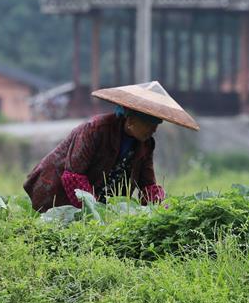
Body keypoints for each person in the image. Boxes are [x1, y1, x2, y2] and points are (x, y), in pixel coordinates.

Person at [24, 81, 199, 212]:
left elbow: (147, 185)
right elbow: (73, 176)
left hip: (97, 196)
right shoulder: (94, 129)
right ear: (130, 120)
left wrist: (161, 207)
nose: (153, 129)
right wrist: (94, 211)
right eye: (149, 124)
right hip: (56, 193)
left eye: (157, 124)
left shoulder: (145, 144)